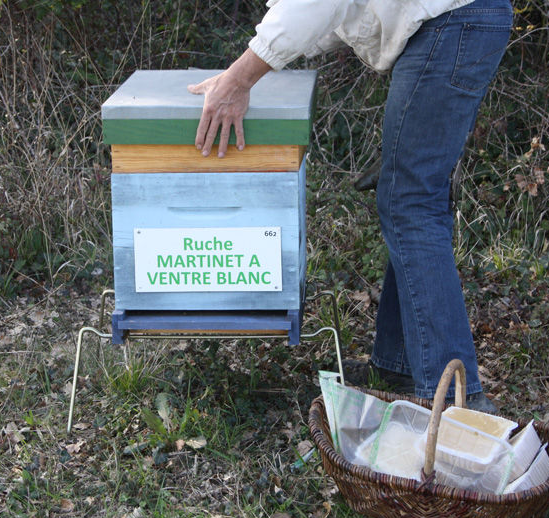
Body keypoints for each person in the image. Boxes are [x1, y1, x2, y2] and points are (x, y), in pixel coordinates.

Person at [187, 0, 513, 412]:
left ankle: (456, 402)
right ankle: (399, 366)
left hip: (451, 23)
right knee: (409, 196)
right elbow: (328, 15)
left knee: (411, 201)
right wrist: (257, 63)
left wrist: (240, 77)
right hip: (456, 22)